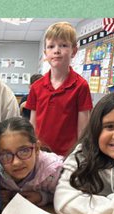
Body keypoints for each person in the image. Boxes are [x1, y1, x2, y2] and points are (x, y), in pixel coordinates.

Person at [23, 20, 92, 157]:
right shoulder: (36, 87)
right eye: (51, 46)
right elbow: (32, 125)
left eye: (63, 45)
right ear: (45, 53)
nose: (56, 50)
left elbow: (83, 129)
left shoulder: (81, 86)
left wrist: (78, 156)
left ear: (74, 51)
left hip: (67, 157)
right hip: (40, 155)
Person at [0, 116, 63, 210]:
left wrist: (43, 197)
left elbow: (67, 197)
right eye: (6, 155)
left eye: (24, 151)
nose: (16, 162)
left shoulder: (53, 171)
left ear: (37, 148)